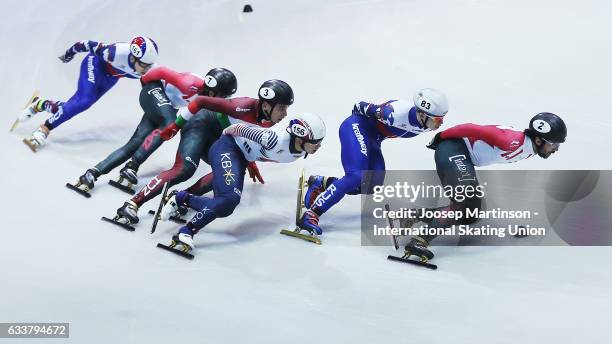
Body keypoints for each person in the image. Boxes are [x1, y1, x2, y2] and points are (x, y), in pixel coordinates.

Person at [112, 79, 295, 225]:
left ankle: (179, 199)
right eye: (281, 108)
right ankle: (133, 203)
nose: (285, 114)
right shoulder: (241, 106)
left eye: (286, 109)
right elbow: (199, 101)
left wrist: (250, 162)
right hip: (198, 124)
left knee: (224, 174)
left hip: (220, 137)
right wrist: (175, 126)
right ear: (266, 105)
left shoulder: (270, 121)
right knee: (184, 169)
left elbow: (243, 138)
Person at [401, 112, 567, 260]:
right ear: (538, 140)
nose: (556, 149)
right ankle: (419, 241)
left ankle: (412, 215)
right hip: (452, 149)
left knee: (471, 214)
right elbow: (471, 128)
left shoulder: (532, 148)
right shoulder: (510, 141)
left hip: (462, 156)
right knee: (463, 202)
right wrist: (440, 137)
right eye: (554, 145)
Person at [158, 112, 326, 252]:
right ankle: (186, 231)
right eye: (315, 142)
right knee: (229, 199)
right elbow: (237, 128)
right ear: (299, 139)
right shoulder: (273, 139)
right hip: (227, 148)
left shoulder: (301, 150)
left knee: (225, 208)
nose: (318, 146)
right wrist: (227, 141)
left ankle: (181, 198)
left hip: (241, 158)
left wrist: (248, 160)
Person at [299, 88, 449, 235]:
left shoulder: (426, 124)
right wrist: (377, 113)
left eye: (442, 118)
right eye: (438, 119)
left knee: (372, 185)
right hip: (356, 127)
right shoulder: (395, 112)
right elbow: (358, 106)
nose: (440, 123)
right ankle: (313, 213)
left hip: (374, 139)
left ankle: (322, 183)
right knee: (356, 176)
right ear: (422, 114)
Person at [71, 67, 237, 194]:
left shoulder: (209, 98)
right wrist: (146, 84)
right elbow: (160, 71)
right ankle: (132, 166)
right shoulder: (190, 83)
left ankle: (93, 173)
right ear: (214, 92)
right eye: (222, 97)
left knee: (135, 142)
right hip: (154, 90)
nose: (221, 101)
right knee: (170, 122)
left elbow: (223, 121)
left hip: (163, 106)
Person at [20, 36, 159, 151]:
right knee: (84, 101)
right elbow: (86, 44)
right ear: (133, 58)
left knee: (75, 106)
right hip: (95, 64)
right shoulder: (114, 53)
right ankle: (44, 129)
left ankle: (41, 104)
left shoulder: (147, 66)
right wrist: (69, 53)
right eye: (144, 65)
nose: (147, 69)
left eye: (150, 65)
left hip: (111, 78)